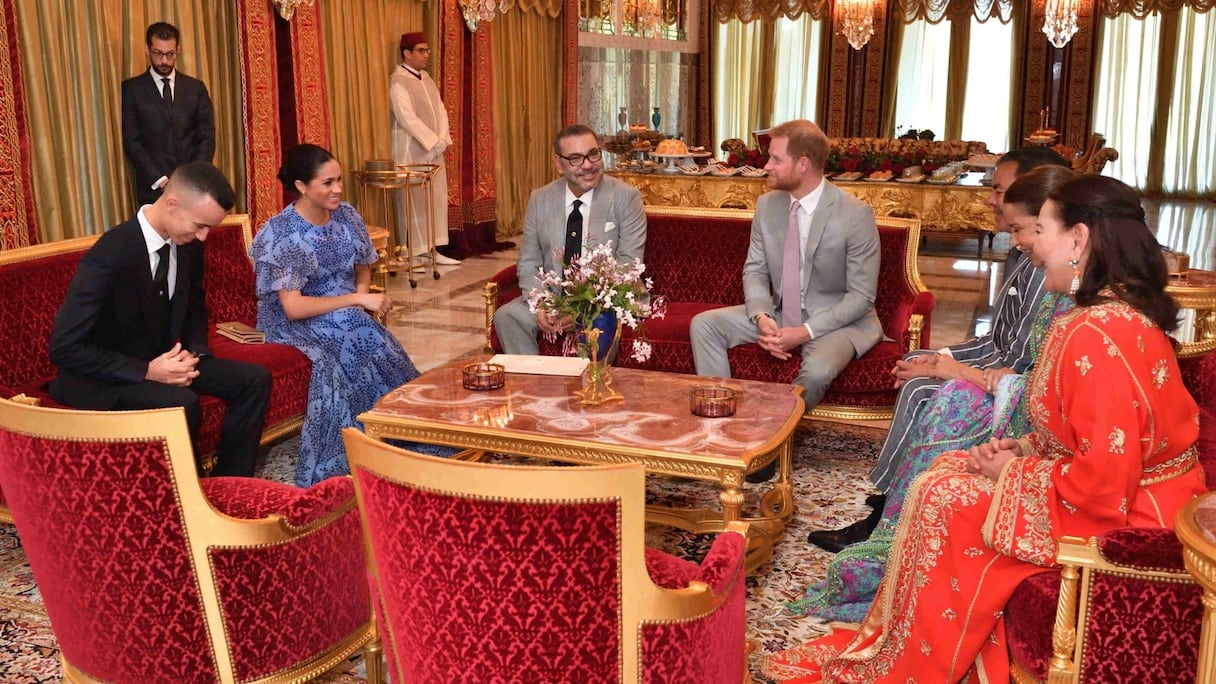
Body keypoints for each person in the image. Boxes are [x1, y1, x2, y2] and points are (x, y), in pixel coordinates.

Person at [761, 174, 1207, 683]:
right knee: (946, 473)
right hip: (1122, 490)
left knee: (944, 497)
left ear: (1079, 239)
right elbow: (1087, 434)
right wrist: (1023, 446)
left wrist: (1015, 470)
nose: (1034, 249)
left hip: (1136, 516)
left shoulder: (1097, 332)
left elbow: (1105, 483)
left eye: (1042, 231)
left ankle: (916, 665)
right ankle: (912, 647)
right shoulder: (1101, 316)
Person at [791, 165, 1076, 623]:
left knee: (941, 392)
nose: (992, 204)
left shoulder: (1065, 287)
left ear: (1073, 234)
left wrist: (952, 370)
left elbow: (1025, 364)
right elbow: (1004, 345)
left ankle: (891, 512)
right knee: (930, 374)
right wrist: (939, 356)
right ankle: (890, 508)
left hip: (1023, 412)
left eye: (1032, 228)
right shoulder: (1034, 264)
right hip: (1016, 396)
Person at [48, 162, 271, 477]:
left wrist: (193, 354)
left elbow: (194, 305)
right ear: (172, 203)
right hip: (106, 375)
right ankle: (189, 501)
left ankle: (231, 483)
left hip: (163, 359)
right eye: (199, 225)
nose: (204, 237)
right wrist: (147, 371)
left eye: (209, 228)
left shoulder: (188, 244)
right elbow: (64, 347)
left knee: (254, 380)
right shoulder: (111, 253)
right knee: (181, 402)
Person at [250, 144, 452, 488]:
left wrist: (360, 297)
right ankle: (360, 449)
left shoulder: (346, 215)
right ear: (301, 186)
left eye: (339, 180)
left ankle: (402, 428)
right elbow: (293, 308)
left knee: (367, 333)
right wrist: (355, 300)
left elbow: (363, 267)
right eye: (327, 183)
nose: (338, 189)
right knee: (354, 330)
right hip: (294, 319)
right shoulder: (283, 233)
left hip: (343, 311)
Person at [690, 119, 881, 413]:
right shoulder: (768, 206)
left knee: (817, 371)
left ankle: (775, 436)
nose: (767, 166)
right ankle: (720, 419)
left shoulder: (855, 215)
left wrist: (803, 332)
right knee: (704, 325)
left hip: (837, 322)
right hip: (780, 313)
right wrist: (762, 316)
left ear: (802, 164)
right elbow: (754, 270)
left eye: (776, 159)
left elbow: (860, 298)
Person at [493, 124, 647, 355]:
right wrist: (542, 303)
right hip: (554, 297)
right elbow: (529, 262)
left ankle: (589, 388)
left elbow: (627, 266)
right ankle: (534, 385)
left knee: (599, 323)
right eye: (575, 158)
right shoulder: (540, 199)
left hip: (605, 300)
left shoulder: (626, 198)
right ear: (558, 163)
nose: (588, 165)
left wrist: (578, 310)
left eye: (593, 154)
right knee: (508, 316)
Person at [122, 22, 216, 207]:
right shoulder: (131, 90)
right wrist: (160, 179)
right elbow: (132, 140)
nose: (164, 61)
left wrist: (190, 179)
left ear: (178, 50)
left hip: (192, 189)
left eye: (170, 54)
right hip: (152, 191)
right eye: (158, 53)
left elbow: (206, 137)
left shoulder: (195, 89)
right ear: (147, 49)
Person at [390, 32, 460, 266]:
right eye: (421, 50)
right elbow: (406, 118)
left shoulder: (427, 80)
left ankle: (433, 249)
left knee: (435, 197)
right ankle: (414, 254)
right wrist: (430, 140)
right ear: (407, 54)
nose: (426, 55)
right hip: (412, 151)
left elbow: (441, 111)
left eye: (427, 50)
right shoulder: (398, 81)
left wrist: (441, 139)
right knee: (414, 201)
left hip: (434, 150)